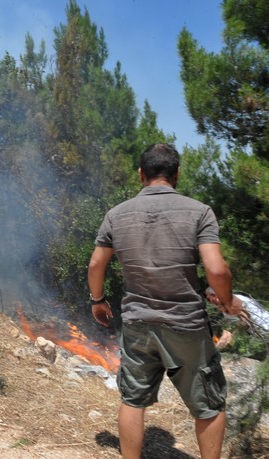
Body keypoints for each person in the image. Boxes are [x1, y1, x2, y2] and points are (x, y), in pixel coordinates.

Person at [87, 143, 242, 459]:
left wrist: (98, 300)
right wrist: (226, 302)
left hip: (137, 323)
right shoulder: (199, 212)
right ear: (177, 174)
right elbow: (215, 268)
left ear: (141, 174)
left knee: (132, 401)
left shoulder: (116, 215)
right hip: (185, 323)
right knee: (209, 403)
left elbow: (95, 265)